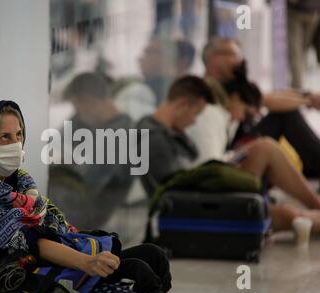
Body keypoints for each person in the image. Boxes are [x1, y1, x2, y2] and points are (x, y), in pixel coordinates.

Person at [0, 99, 171, 293]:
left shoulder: (20, 184)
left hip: (46, 264)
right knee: (137, 276)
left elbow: (48, 232)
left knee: (154, 256)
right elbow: (31, 240)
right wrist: (87, 263)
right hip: (13, 281)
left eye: (18, 135)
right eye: (4, 137)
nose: (16, 144)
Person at [137, 76, 320, 235]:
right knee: (290, 215)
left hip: (206, 197)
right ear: (181, 105)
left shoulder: (168, 131)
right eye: (195, 114)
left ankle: (316, 203)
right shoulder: (155, 140)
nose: (194, 121)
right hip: (202, 208)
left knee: (264, 148)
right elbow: (176, 190)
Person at [202, 37, 320, 179]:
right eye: (233, 54)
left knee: (284, 115)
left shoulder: (233, 82)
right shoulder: (209, 87)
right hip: (231, 153)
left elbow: (265, 95)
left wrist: (307, 96)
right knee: (285, 116)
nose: (239, 58)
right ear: (214, 58)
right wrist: (308, 100)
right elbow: (266, 100)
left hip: (240, 146)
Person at [48, 72, 134, 231]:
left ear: (89, 101)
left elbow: (81, 185)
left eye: (77, 107)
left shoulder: (116, 135)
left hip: (83, 220)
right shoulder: (92, 124)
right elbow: (54, 147)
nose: (77, 114)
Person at [287, 0, 320, 89]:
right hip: (312, 11)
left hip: (302, 11)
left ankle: (297, 88)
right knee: (300, 50)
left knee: (297, 51)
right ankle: (298, 87)